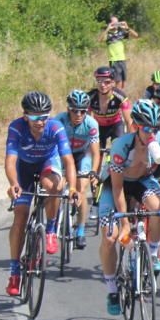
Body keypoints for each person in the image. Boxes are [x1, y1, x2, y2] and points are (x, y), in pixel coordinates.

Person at [98, 100, 160, 312]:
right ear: (135, 126)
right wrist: (125, 222)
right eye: (146, 129)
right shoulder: (121, 145)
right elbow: (117, 189)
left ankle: (152, 254)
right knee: (110, 238)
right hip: (116, 185)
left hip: (143, 181)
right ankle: (112, 291)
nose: (151, 133)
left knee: (158, 207)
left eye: (155, 128)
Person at [5, 92, 79, 296]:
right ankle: (14, 272)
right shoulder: (17, 127)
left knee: (52, 186)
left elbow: (68, 161)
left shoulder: (56, 128)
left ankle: (51, 229)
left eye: (45, 116)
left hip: (48, 163)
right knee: (20, 216)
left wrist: (72, 187)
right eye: (36, 117)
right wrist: (13, 184)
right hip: (24, 168)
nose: (41, 122)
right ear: (25, 116)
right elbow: (10, 160)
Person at [55, 90, 100, 249]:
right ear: (68, 109)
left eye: (83, 110)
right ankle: (55, 219)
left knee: (80, 189)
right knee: (57, 185)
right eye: (75, 110)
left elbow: (95, 152)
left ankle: (80, 230)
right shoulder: (59, 120)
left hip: (82, 155)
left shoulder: (91, 124)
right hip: (62, 155)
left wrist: (93, 171)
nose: (79, 114)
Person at [88, 66, 132, 148]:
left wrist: (131, 141)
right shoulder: (90, 97)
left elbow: (129, 121)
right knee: (98, 152)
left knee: (118, 147)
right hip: (99, 126)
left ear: (113, 83)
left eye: (107, 82)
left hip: (116, 125)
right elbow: (86, 121)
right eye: (99, 81)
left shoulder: (121, 97)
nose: (102, 85)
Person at [98, 16, 138, 87]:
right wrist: (107, 29)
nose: (116, 24)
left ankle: (120, 96)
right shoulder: (108, 34)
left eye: (117, 22)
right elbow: (99, 40)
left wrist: (127, 27)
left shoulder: (121, 33)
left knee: (123, 82)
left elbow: (136, 36)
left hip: (122, 60)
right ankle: (116, 96)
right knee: (117, 82)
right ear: (110, 23)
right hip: (114, 61)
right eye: (114, 23)